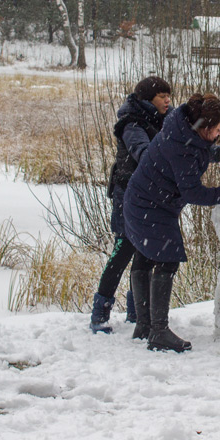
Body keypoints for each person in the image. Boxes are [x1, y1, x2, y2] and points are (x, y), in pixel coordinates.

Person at [123, 93, 220, 352]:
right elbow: (194, 193)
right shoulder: (182, 145)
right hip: (151, 207)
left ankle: (144, 325)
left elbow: (204, 152)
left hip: (142, 199)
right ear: (205, 125)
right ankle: (158, 331)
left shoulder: (185, 128)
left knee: (145, 256)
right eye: (218, 129)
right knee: (166, 259)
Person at [89, 76, 172, 334]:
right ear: (148, 99)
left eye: (169, 95)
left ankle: (138, 313)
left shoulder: (162, 120)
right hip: (127, 195)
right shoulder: (132, 123)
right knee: (123, 250)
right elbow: (144, 154)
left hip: (149, 196)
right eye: (162, 96)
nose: (168, 100)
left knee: (145, 251)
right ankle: (100, 314)